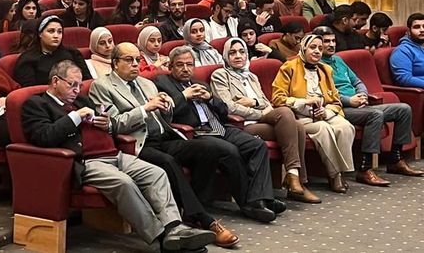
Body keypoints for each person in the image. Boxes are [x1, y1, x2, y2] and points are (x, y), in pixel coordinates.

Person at [22, 60, 217, 252]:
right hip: (87, 162)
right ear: (55, 81)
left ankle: (174, 226)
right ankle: (161, 235)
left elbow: (111, 125)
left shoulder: (81, 100)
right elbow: (43, 137)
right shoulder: (37, 104)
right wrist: (74, 117)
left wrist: (107, 124)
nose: (76, 90)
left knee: (156, 173)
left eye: (79, 85)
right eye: (72, 85)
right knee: (124, 183)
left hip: (115, 154)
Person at [89, 44, 240, 247]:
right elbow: (113, 125)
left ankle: (194, 210)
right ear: (115, 63)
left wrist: (166, 106)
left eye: (137, 60)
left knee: (210, 149)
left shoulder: (146, 83)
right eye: (129, 60)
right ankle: (205, 220)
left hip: (164, 135)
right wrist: (144, 109)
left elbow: (164, 117)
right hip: (137, 143)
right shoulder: (102, 86)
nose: (135, 64)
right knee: (168, 162)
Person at [152, 46, 295, 217]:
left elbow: (224, 111)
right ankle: (249, 204)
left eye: (189, 65)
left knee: (257, 145)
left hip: (220, 127)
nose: (185, 69)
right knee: (229, 151)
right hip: (196, 132)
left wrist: (210, 98)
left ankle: (262, 198)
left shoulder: (200, 84)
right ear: (171, 67)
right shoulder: (162, 83)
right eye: (180, 65)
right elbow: (166, 113)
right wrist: (184, 96)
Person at [210, 40, 320, 203]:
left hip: (260, 118)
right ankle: (297, 182)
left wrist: (253, 102)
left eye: (242, 51)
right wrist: (260, 113)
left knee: (297, 127)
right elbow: (229, 107)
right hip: (243, 125)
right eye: (232, 53)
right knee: (286, 115)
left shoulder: (251, 76)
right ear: (226, 56)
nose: (238, 56)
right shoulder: (220, 75)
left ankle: (294, 178)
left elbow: (265, 102)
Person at [315, 25, 423, 185]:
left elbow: (357, 82)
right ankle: (365, 169)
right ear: (317, 44)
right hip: (339, 109)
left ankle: (396, 160)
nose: (331, 45)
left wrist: (363, 96)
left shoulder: (338, 60)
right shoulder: (315, 64)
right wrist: (349, 100)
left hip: (359, 104)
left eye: (333, 41)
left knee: (403, 109)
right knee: (375, 114)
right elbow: (323, 94)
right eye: (326, 42)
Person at [271, 34, 355, 193]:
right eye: (313, 47)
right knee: (323, 128)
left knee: (345, 126)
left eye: (320, 48)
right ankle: (334, 175)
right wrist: (304, 102)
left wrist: (326, 112)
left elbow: (336, 101)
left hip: (323, 114)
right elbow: (277, 98)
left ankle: (342, 172)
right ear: (303, 48)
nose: (317, 51)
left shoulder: (325, 70)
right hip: (299, 117)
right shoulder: (288, 67)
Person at [14, 15, 92, 86]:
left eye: (59, 32)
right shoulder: (27, 59)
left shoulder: (73, 53)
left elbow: (87, 81)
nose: (56, 36)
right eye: (51, 31)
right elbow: (30, 90)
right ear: (40, 34)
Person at [390, 12, 424, 87]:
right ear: (408, 31)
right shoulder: (402, 51)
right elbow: (404, 79)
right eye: (417, 27)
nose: (422, 30)